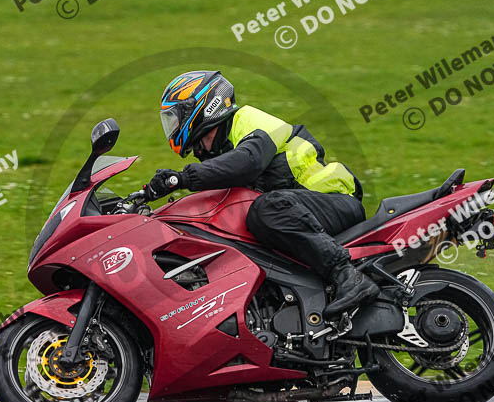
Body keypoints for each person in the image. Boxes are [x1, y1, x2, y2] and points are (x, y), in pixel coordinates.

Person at [149, 70, 378, 314]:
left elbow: (248, 162)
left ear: (202, 106)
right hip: (300, 213)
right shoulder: (219, 152)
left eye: (174, 119)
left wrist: (181, 178)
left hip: (334, 200)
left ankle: (347, 276)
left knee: (266, 209)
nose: (173, 127)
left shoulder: (247, 120)